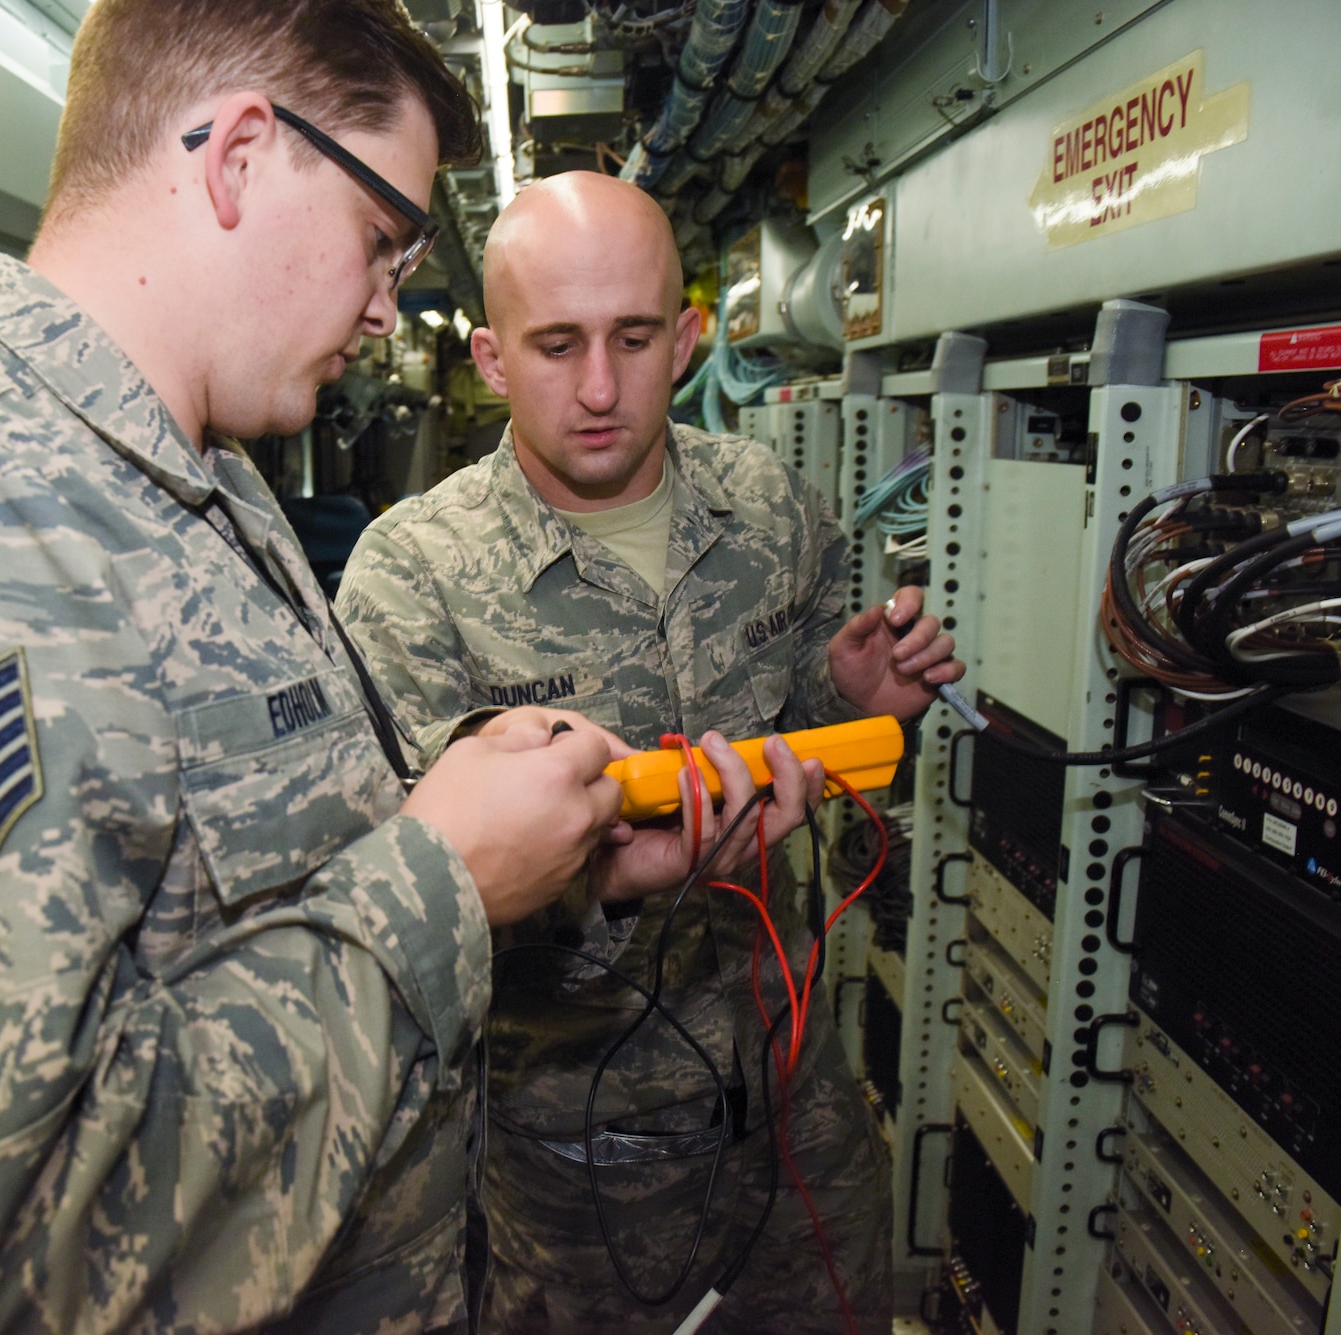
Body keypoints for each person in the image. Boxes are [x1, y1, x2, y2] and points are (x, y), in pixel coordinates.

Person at [0, 6, 633, 1332]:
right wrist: (447, 878)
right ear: (240, 155)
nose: (382, 302)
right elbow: (10, 1259)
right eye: (381, 241)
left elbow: (259, 890)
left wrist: (534, 862)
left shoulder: (199, 481)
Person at [335, 171, 964, 1334]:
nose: (595, 388)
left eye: (632, 340)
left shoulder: (770, 506)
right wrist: (604, 880)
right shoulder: (410, 575)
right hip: (574, 1169)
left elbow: (815, 726)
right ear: (486, 358)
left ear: (684, 341)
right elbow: (402, 905)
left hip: (796, 1121)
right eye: (554, 344)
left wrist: (849, 693)